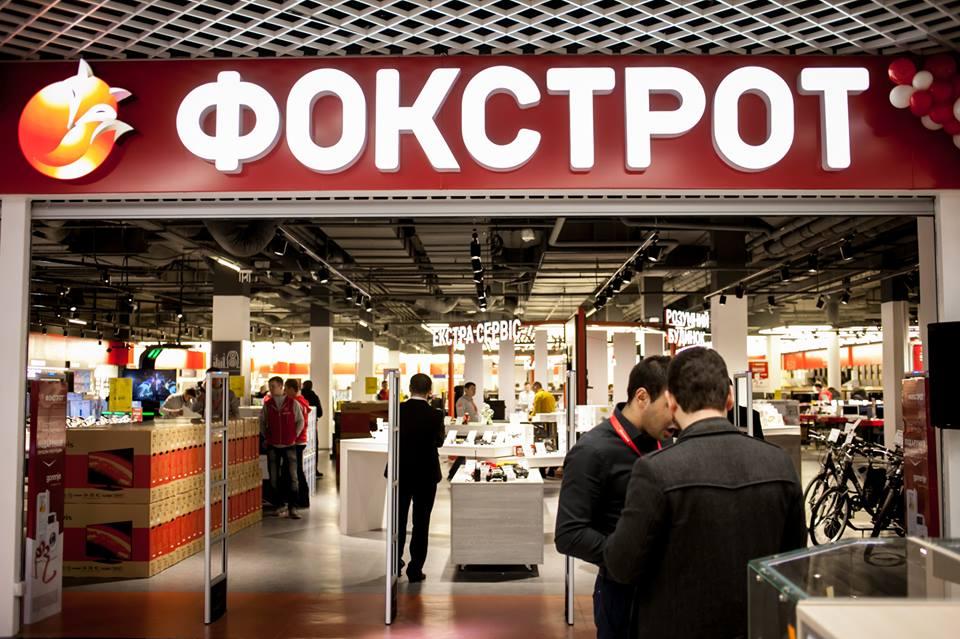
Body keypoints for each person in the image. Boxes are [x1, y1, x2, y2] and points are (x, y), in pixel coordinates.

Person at [603, 347, 805, 639]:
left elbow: (623, 566)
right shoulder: (779, 463)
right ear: (730, 398)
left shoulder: (655, 471)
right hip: (759, 627)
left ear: (672, 402)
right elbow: (793, 563)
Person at [555, 356, 674, 639]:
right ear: (642, 397)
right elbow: (569, 534)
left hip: (668, 589)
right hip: (622, 592)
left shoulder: (666, 441)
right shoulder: (592, 451)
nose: (676, 417)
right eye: (669, 406)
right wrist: (624, 555)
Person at [395, 373, 445, 582]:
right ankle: (415, 569)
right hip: (426, 474)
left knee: (398, 519)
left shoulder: (398, 410)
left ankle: (394, 562)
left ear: (409, 388)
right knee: (421, 522)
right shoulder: (436, 414)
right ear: (429, 391)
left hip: (401, 472)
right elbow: (439, 442)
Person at [261, 375, 305, 519]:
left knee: (293, 477)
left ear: (281, 387)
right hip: (273, 445)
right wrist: (267, 437)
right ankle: (279, 505)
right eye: (270, 386)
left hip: (289, 445)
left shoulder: (292, 403)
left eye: (273, 386)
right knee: (274, 477)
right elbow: (262, 422)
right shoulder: (268, 405)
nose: (271, 389)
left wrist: (294, 436)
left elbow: (300, 421)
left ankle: (293, 507)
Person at [301, 380, 324, 478]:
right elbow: (320, 413)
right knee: (314, 447)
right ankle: (314, 469)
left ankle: (302, 470)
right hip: (312, 426)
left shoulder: (299, 397)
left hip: (300, 427)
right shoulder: (314, 396)